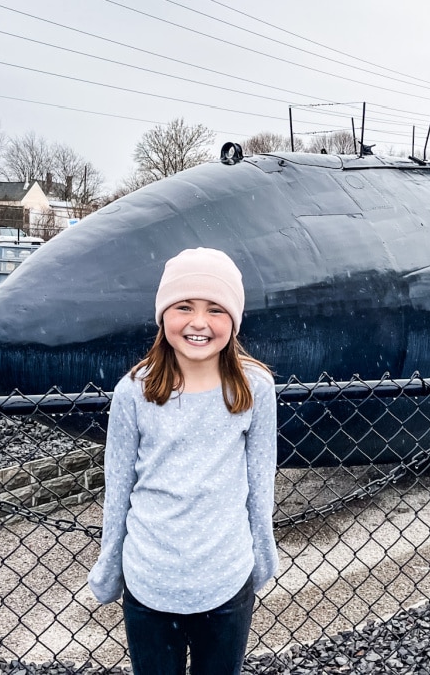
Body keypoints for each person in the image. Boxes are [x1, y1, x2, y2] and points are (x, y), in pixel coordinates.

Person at [88, 247, 278, 674]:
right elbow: (117, 489)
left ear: (234, 319)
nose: (198, 322)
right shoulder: (132, 392)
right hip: (150, 580)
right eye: (184, 306)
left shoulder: (256, 388)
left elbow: (260, 481)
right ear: (162, 316)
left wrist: (262, 557)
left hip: (226, 579)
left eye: (215, 309)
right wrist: (110, 564)